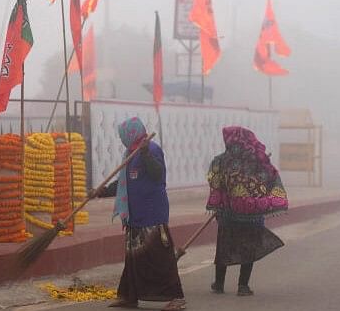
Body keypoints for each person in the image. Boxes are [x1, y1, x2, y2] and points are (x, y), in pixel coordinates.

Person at [94, 117, 186, 311]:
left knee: (160, 258)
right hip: (135, 217)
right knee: (134, 259)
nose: (121, 141)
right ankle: (129, 296)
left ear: (131, 134)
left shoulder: (151, 150)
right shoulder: (130, 153)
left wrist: (145, 154)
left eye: (122, 137)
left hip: (152, 216)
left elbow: (158, 174)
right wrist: (100, 192)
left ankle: (176, 298)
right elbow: (122, 183)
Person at [206, 126, 289, 296]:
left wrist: (219, 202)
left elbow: (214, 182)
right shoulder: (258, 160)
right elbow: (270, 178)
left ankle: (219, 284)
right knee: (248, 248)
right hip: (252, 216)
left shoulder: (220, 161)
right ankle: (243, 286)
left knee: (224, 247)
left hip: (227, 214)